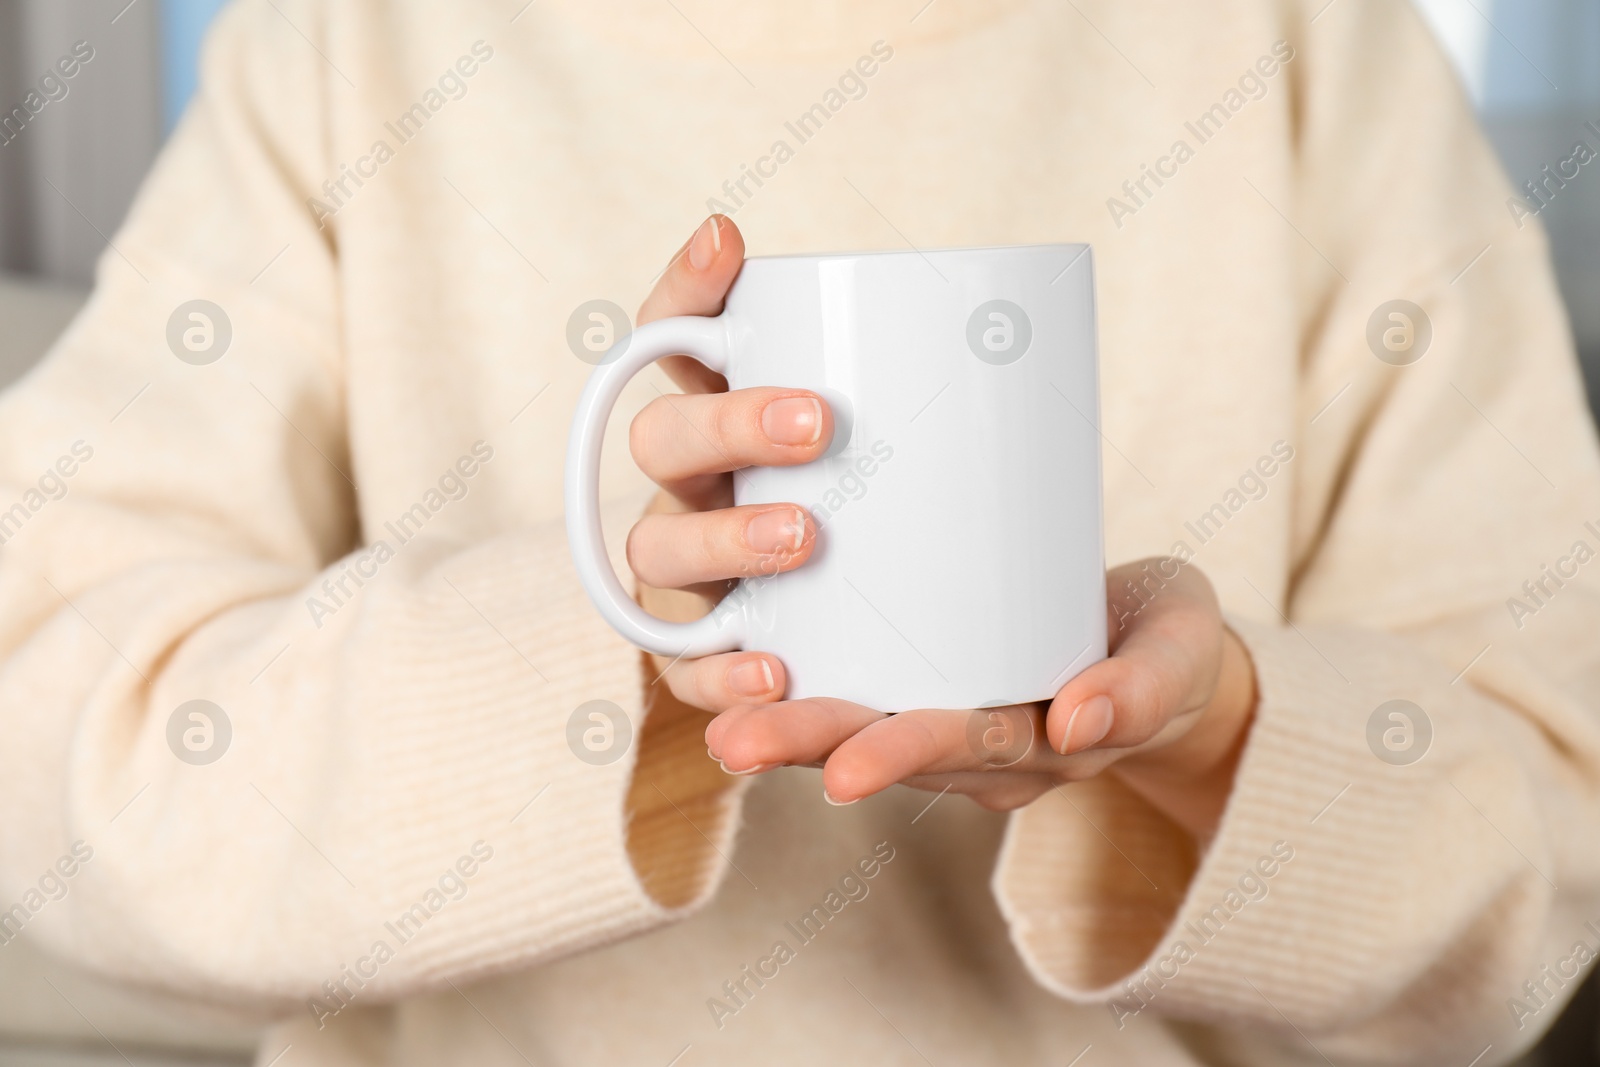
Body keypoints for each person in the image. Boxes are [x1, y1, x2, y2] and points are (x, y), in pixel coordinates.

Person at [0, 0, 1596, 1063]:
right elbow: (52, 738)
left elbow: (1556, 850)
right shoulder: (346, 40)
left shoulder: (1308, 41)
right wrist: (632, 647)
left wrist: (1213, 745)